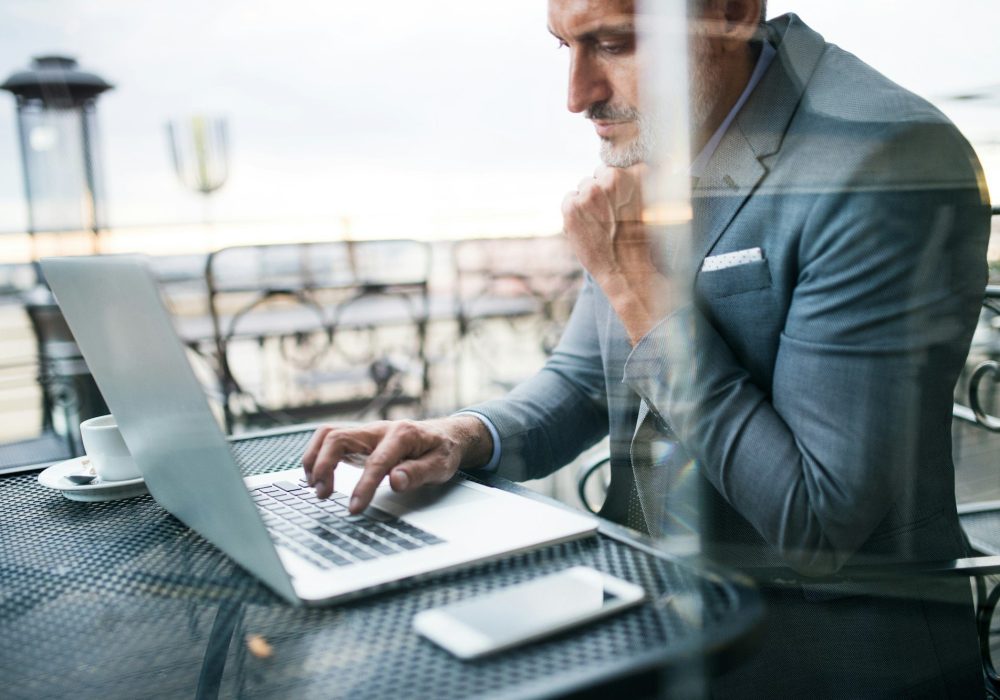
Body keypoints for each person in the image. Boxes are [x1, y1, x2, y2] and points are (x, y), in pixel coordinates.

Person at [303, 0, 991, 694]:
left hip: (821, 659)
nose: (576, 96)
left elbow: (815, 522)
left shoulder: (881, 160)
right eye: (563, 46)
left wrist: (636, 290)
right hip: (645, 608)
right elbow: (581, 382)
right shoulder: (671, 127)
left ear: (731, 12)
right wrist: (459, 435)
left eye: (612, 42)